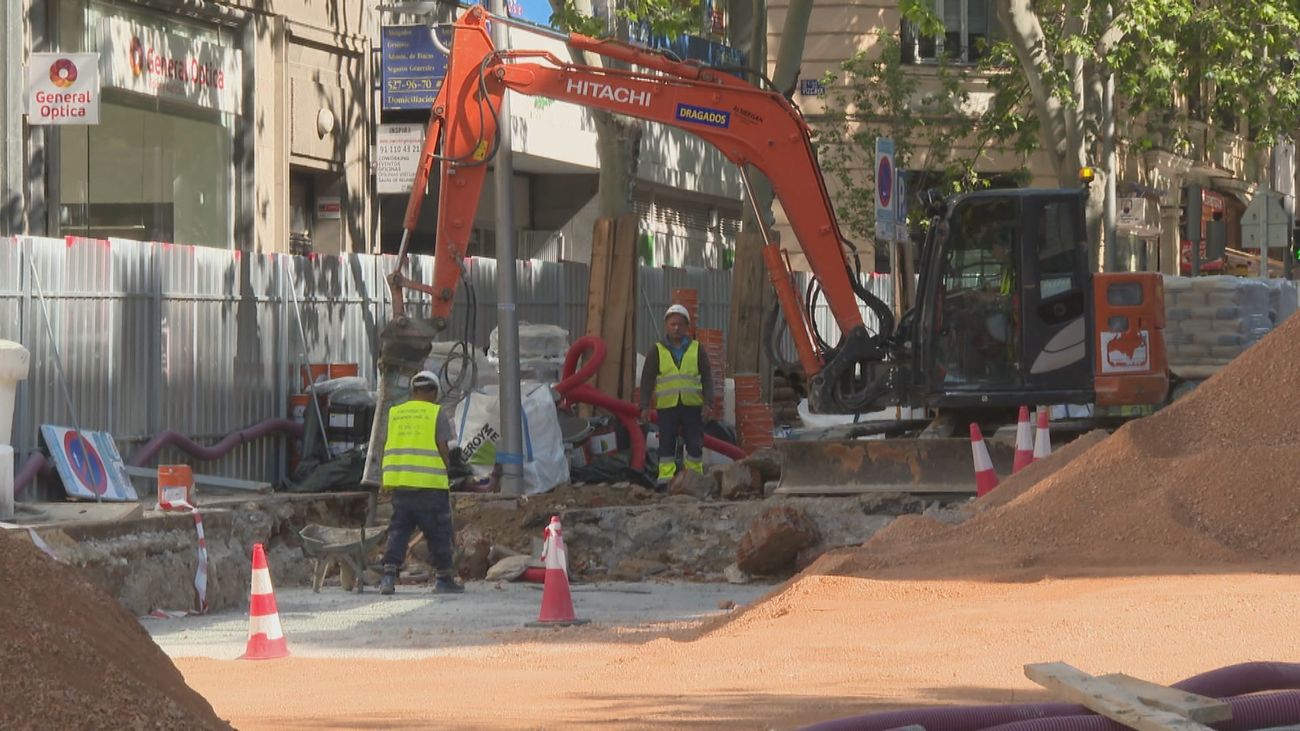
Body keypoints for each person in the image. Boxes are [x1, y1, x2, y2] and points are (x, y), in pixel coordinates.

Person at [379, 370, 464, 595]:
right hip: (430, 486)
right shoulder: (437, 413)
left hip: (401, 485)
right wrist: (447, 469)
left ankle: (388, 577)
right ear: (434, 392)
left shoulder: (396, 413)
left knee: (398, 531)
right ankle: (444, 579)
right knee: (438, 532)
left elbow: (389, 444)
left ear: (413, 391)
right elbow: (443, 448)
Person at [638, 304, 714, 491]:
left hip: (692, 406)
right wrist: (645, 405)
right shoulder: (657, 350)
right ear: (666, 326)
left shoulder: (697, 349)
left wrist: (708, 404)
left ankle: (694, 479)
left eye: (680, 324)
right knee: (667, 443)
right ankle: (666, 479)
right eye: (672, 324)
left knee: (694, 443)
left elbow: (707, 377)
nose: (676, 328)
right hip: (668, 407)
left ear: (687, 326)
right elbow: (647, 379)